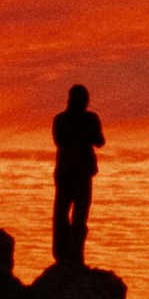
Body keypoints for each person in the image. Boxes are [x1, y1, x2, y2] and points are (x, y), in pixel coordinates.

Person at [49, 82, 105, 269]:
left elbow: (100, 141)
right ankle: (62, 255)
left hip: (81, 173)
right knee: (62, 216)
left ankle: (75, 256)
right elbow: (60, 141)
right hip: (67, 173)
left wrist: (87, 133)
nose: (85, 104)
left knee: (79, 218)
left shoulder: (90, 119)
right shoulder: (61, 120)